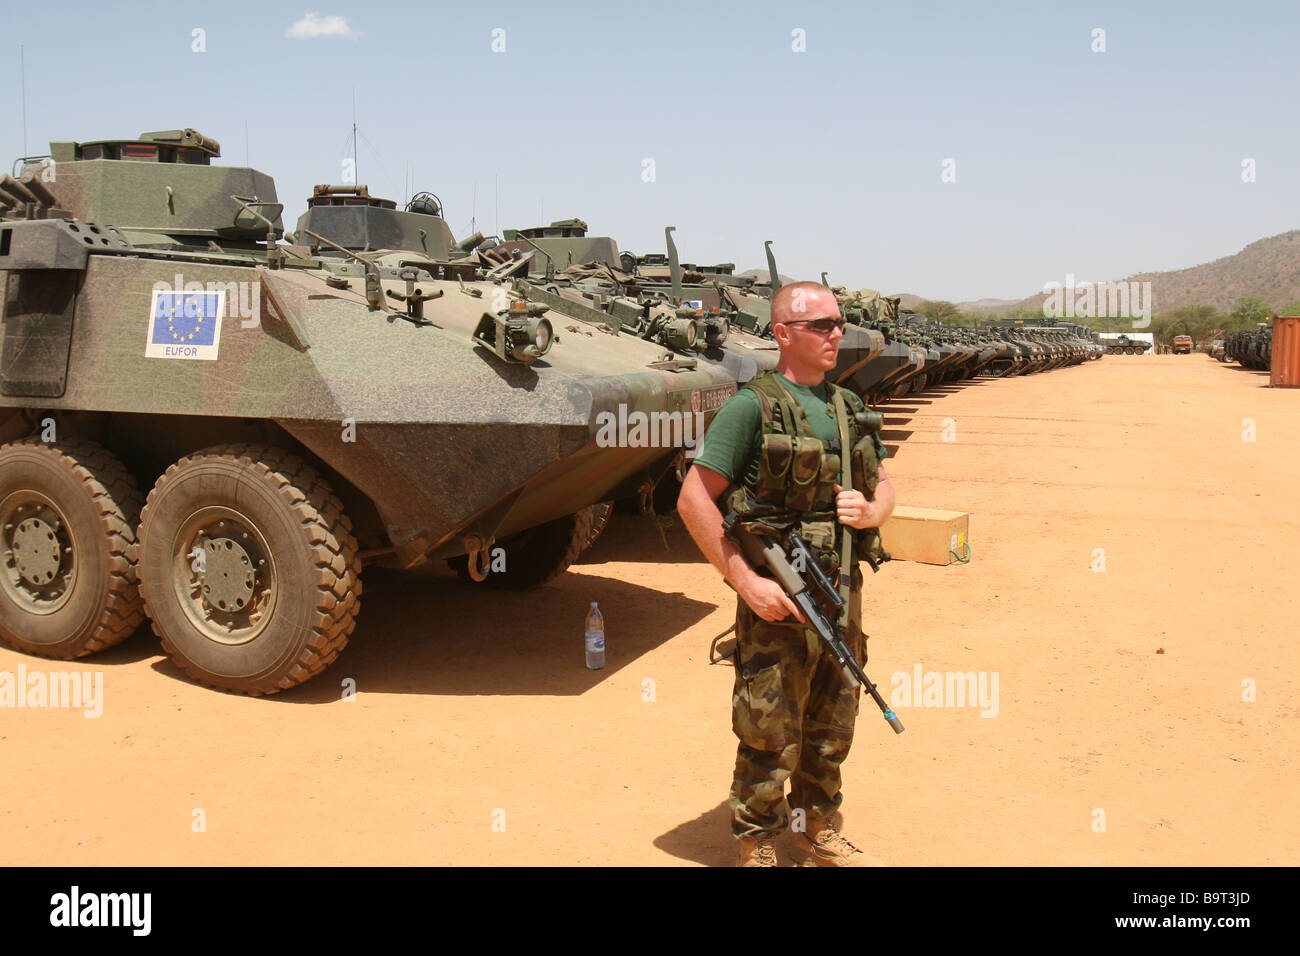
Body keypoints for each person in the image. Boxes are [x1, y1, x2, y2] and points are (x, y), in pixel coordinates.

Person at [678, 281, 896, 867]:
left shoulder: (848, 407)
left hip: (842, 593)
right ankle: (756, 841)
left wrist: (874, 510)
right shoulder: (752, 406)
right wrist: (745, 582)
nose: (835, 335)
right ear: (782, 333)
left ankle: (815, 825)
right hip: (778, 596)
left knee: (833, 721)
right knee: (770, 725)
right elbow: (694, 500)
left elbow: (886, 484)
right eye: (820, 325)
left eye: (838, 323)